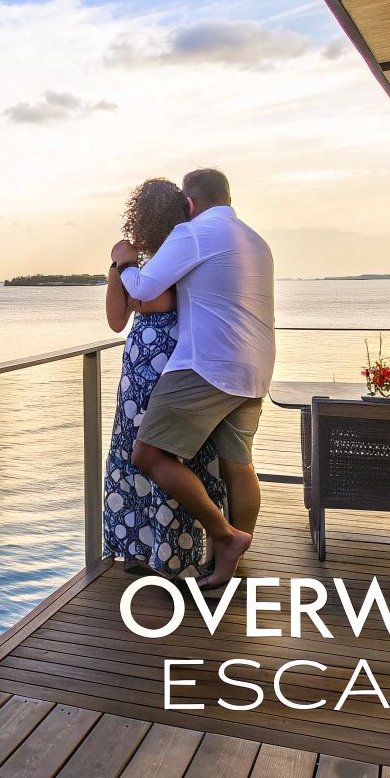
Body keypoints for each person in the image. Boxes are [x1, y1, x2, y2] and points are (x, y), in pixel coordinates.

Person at [111, 168, 275, 587]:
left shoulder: (195, 232)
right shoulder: (255, 239)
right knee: (238, 465)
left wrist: (125, 263)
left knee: (148, 454)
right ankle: (227, 564)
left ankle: (224, 534)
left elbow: (146, 288)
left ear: (189, 203)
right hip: (255, 367)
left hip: (207, 366)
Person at [102, 178, 229, 578]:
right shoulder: (148, 264)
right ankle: (147, 551)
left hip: (170, 361)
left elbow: (153, 301)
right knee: (139, 452)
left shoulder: (180, 252)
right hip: (143, 363)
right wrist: (115, 273)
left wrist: (124, 267)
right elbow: (116, 320)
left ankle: (172, 557)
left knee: (161, 453)